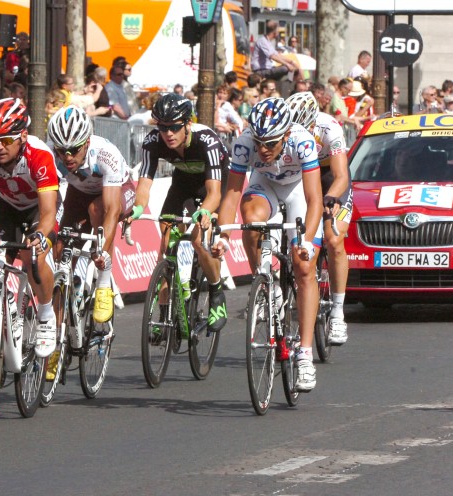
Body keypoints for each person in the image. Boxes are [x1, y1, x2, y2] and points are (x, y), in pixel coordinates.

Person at [214, 98, 322, 392]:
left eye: (271, 143)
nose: (263, 149)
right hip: (265, 185)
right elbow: (232, 194)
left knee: (303, 267)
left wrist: (307, 241)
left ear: (286, 134)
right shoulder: (244, 143)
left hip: (298, 190)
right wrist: (223, 236)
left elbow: (314, 198)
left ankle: (305, 355)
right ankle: (265, 282)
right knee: (251, 219)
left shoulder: (302, 141)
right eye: (259, 142)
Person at [129, 93, 229, 334]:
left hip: (214, 184)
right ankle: (164, 313)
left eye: (174, 127)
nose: (168, 133)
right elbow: (144, 186)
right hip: (183, 182)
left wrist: (205, 211)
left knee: (198, 240)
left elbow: (214, 194)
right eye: (163, 127)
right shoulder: (153, 142)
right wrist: (137, 208)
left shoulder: (207, 140)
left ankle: (216, 292)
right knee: (167, 243)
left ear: (187, 124)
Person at [0, 98, 61, 359]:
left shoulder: (39, 155)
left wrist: (40, 235)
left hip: (40, 207)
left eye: (5, 140)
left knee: (32, 255)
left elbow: (48, 213)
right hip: (8, 207)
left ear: (23, 136)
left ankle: (46, 315)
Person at [48, 105, 135, 321]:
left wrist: (101, 251)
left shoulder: (105, 154)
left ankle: (104, 285)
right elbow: (50, 200)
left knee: (98, 210)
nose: (67, 157)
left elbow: (111, 210)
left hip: (118, 190)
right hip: (79, 193)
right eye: (62, 151)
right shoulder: (50, 154)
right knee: (61, 250)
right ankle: (57, 329)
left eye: (74, 149)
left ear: (87, 142)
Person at [286, 91, 352, 345]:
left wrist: (331, 197)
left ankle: (337, 311)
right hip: (301, 176)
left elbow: (341, 176)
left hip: (329, 176)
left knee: (334, 239)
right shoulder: (286, 129)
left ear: (313, 123)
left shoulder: (329, 128)